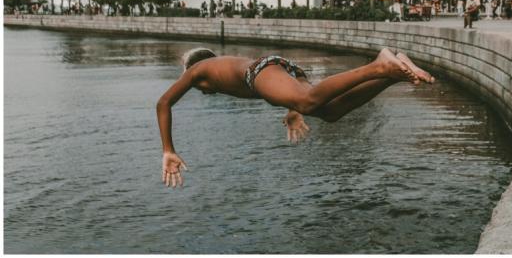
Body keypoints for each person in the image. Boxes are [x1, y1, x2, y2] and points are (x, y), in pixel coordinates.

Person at [157, 47, 434, 188]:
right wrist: (293, 110)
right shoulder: (219, 68)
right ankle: (392, 74)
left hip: (259, 73)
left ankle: (378, 64)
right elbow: (294, 73)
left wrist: (168, 149)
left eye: (196, 86)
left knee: (308, 100)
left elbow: (164, 103)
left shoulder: (198, 69)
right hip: (269, 68)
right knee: (329, 111)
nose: (201, 91)